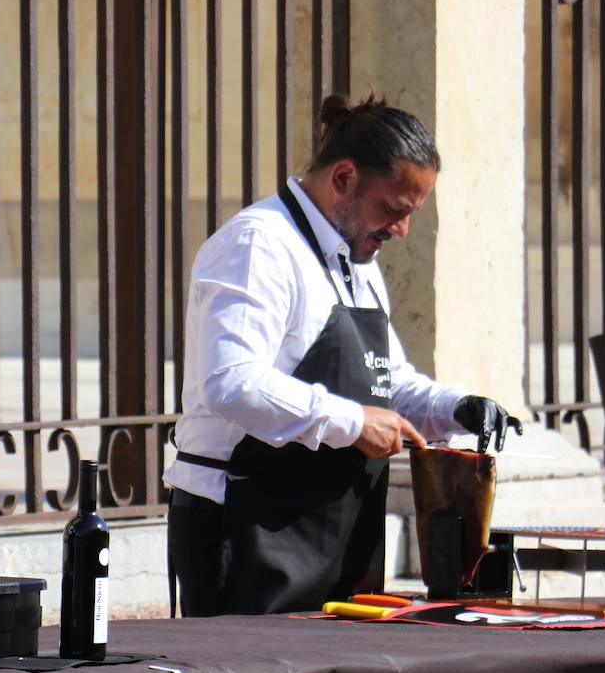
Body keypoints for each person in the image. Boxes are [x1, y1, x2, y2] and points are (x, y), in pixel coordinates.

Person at [163, 92, 521, 617]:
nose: (401, 230)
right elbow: (232, 382)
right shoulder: (258, 245)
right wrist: (351, 422)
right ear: (344, 178)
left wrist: (454, 406)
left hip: (340, 528)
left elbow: (385, 380)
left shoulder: (359, 260)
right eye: (394, 210)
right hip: (245, 527)